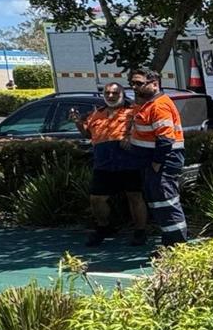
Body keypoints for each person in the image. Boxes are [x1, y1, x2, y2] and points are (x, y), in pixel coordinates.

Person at [70, 81, 148, 246]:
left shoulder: (133, 111)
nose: (111, 96)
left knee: (135, 196)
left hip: (129, 162)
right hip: (104, 164)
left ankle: (140, 231)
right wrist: (78, 122)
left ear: (122, 94)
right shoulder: (96, 114)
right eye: (107, 93)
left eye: (115, 93)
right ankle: (104, 228)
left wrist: (130, 137)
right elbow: (88, 135)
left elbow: (145, 130)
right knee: (96, 199)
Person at [127, 69, 188, 245]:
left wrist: (156, 162)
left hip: (163, 162)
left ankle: (177, 246)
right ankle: (170, 243)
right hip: (152, 163)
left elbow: (166, 138)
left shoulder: (159, 105)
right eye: (133, 83)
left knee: (167, 203)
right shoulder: (147, 105)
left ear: (154, 84)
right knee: (159, 204)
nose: (134, 87)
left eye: (139, 83)